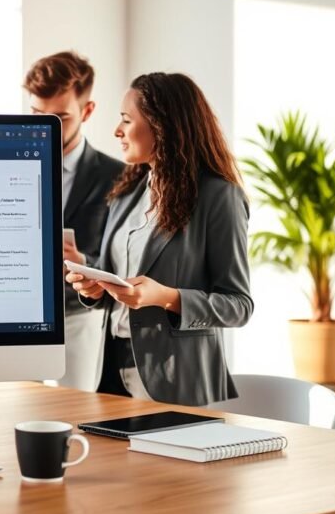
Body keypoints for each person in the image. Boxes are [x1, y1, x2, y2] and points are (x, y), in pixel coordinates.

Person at [65, 72, 252, 406]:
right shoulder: (126, 194)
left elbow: (238, 305)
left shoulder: (218, 197)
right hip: (110, 372)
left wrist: (166, 297)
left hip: (176, 379)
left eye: (126, 120)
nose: (117, 131)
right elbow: (121, 282)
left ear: (162, 126)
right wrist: (92, 282)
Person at [25, 51, 125, 391]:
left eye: (60, 118)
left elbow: (125, 261)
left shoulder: (119, 176)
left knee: (77, 414)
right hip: (17, 314)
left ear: (88, 111)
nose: (44, 129)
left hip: (79, 316)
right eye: (37, 115)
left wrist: (85, 263)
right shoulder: (5, 166)